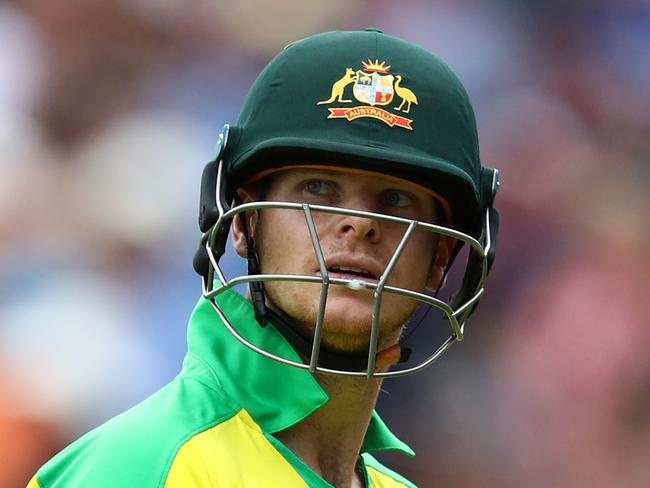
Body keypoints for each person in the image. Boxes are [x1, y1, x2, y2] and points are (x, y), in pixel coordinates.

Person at [28, 29, 499, 487]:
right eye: (317, 188)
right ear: (242, 223)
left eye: (397, 200)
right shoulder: (146, 469)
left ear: (442, 257)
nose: (359, 224)